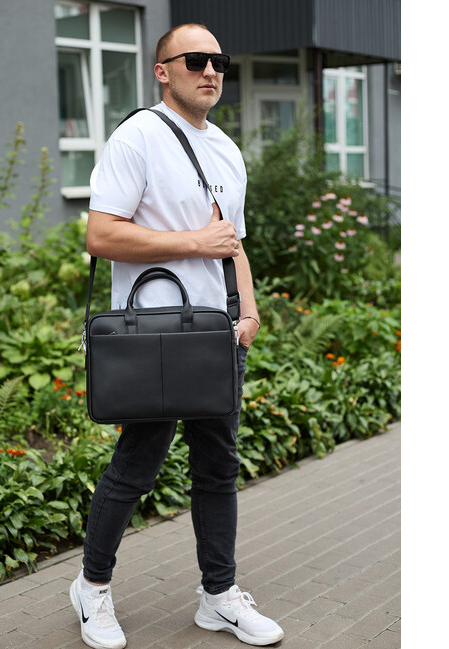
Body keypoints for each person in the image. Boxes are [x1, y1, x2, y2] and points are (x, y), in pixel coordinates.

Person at [69, 23, 284, 649]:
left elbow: (231, 243)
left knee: (218, 468)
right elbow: (101, 234)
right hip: (154, 338)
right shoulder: (138, 137)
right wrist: (193, 242)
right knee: (136, 467)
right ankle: (92, 588)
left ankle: (219, 597)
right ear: (162, 71)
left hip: (217, 336)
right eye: (195, 60)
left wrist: (249, 312)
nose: (210, 70)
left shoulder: (227, 149)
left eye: (219, 61)